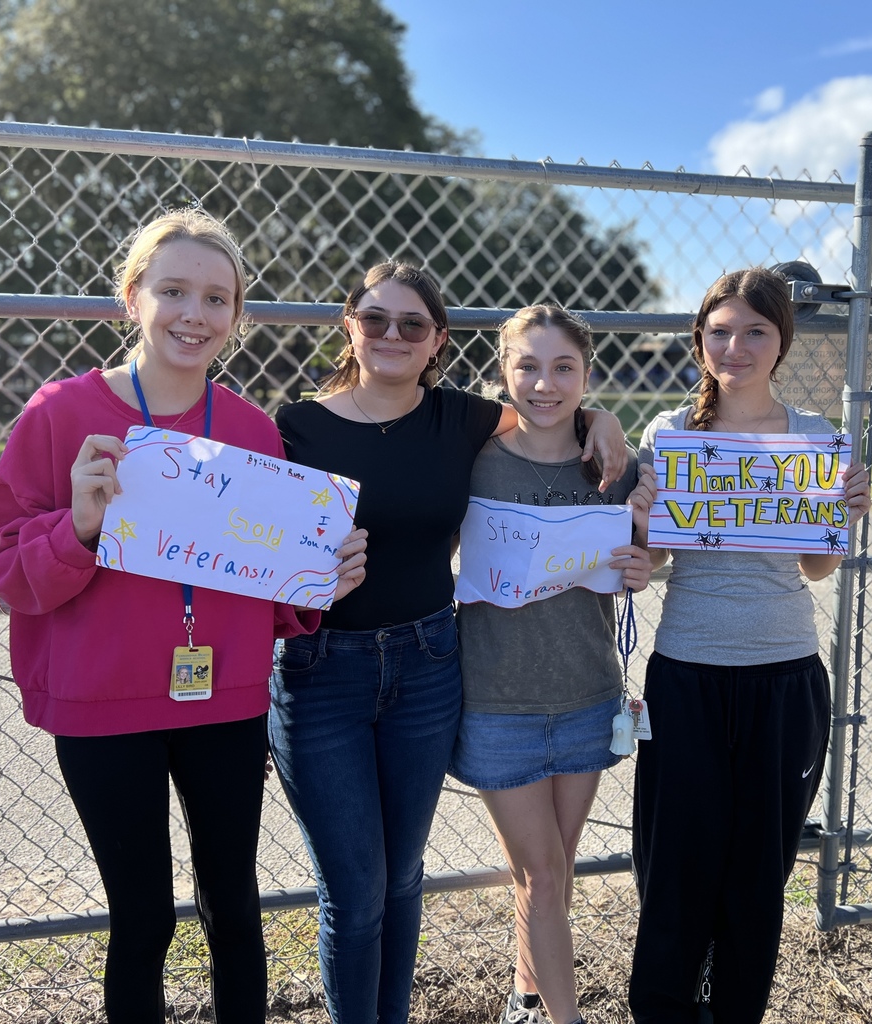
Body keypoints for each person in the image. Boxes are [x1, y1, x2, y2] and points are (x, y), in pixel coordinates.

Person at [0, 209, 367, 1024]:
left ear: (237, 316)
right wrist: (77, 525)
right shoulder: (61, 414)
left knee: (235, 903)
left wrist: (315, 582)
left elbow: (266, 586)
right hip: (104, 705)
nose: (195, 314)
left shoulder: (252, 429)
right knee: (141, 914)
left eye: (217, 298)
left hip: (223, 701)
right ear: (131, 296)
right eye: (174, 290)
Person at [268, 263, 629, 1024]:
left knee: (402, 878)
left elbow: (545, 413)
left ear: (438, 341)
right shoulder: (295, 426)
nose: (392, 335)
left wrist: (601, 418)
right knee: (356, 888)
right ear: (349, 326)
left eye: (412, 324)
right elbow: (255, 553)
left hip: (428, 667)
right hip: (322, 672)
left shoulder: (461, 420)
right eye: (376, 320)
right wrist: (301, 586)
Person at [627, 267, 872, 1024]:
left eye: (755, 331)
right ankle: (666, 1009)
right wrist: (640, 535)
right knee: (676, 866)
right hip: (688, 673)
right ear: (700, 339)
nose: (736, 346)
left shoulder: (815, 439)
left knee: (757, 872)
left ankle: (737, 1010)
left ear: (781, 342)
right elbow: (662, 557)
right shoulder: (670, 433)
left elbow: (814, 567)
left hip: (783, 675)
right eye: (720, 330)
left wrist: (842, 518)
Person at [448, 304, 655, 1024]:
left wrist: (641, 563)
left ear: (587, 374)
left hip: (585, 697)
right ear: (503, 371)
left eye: (563, 367)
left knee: (551, 877)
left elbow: (646, 553)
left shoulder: (612, 464)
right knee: (542, 873)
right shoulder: (472, 460)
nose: (544, 383)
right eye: (526, 366)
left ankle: (526, 998)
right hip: (498, 704)